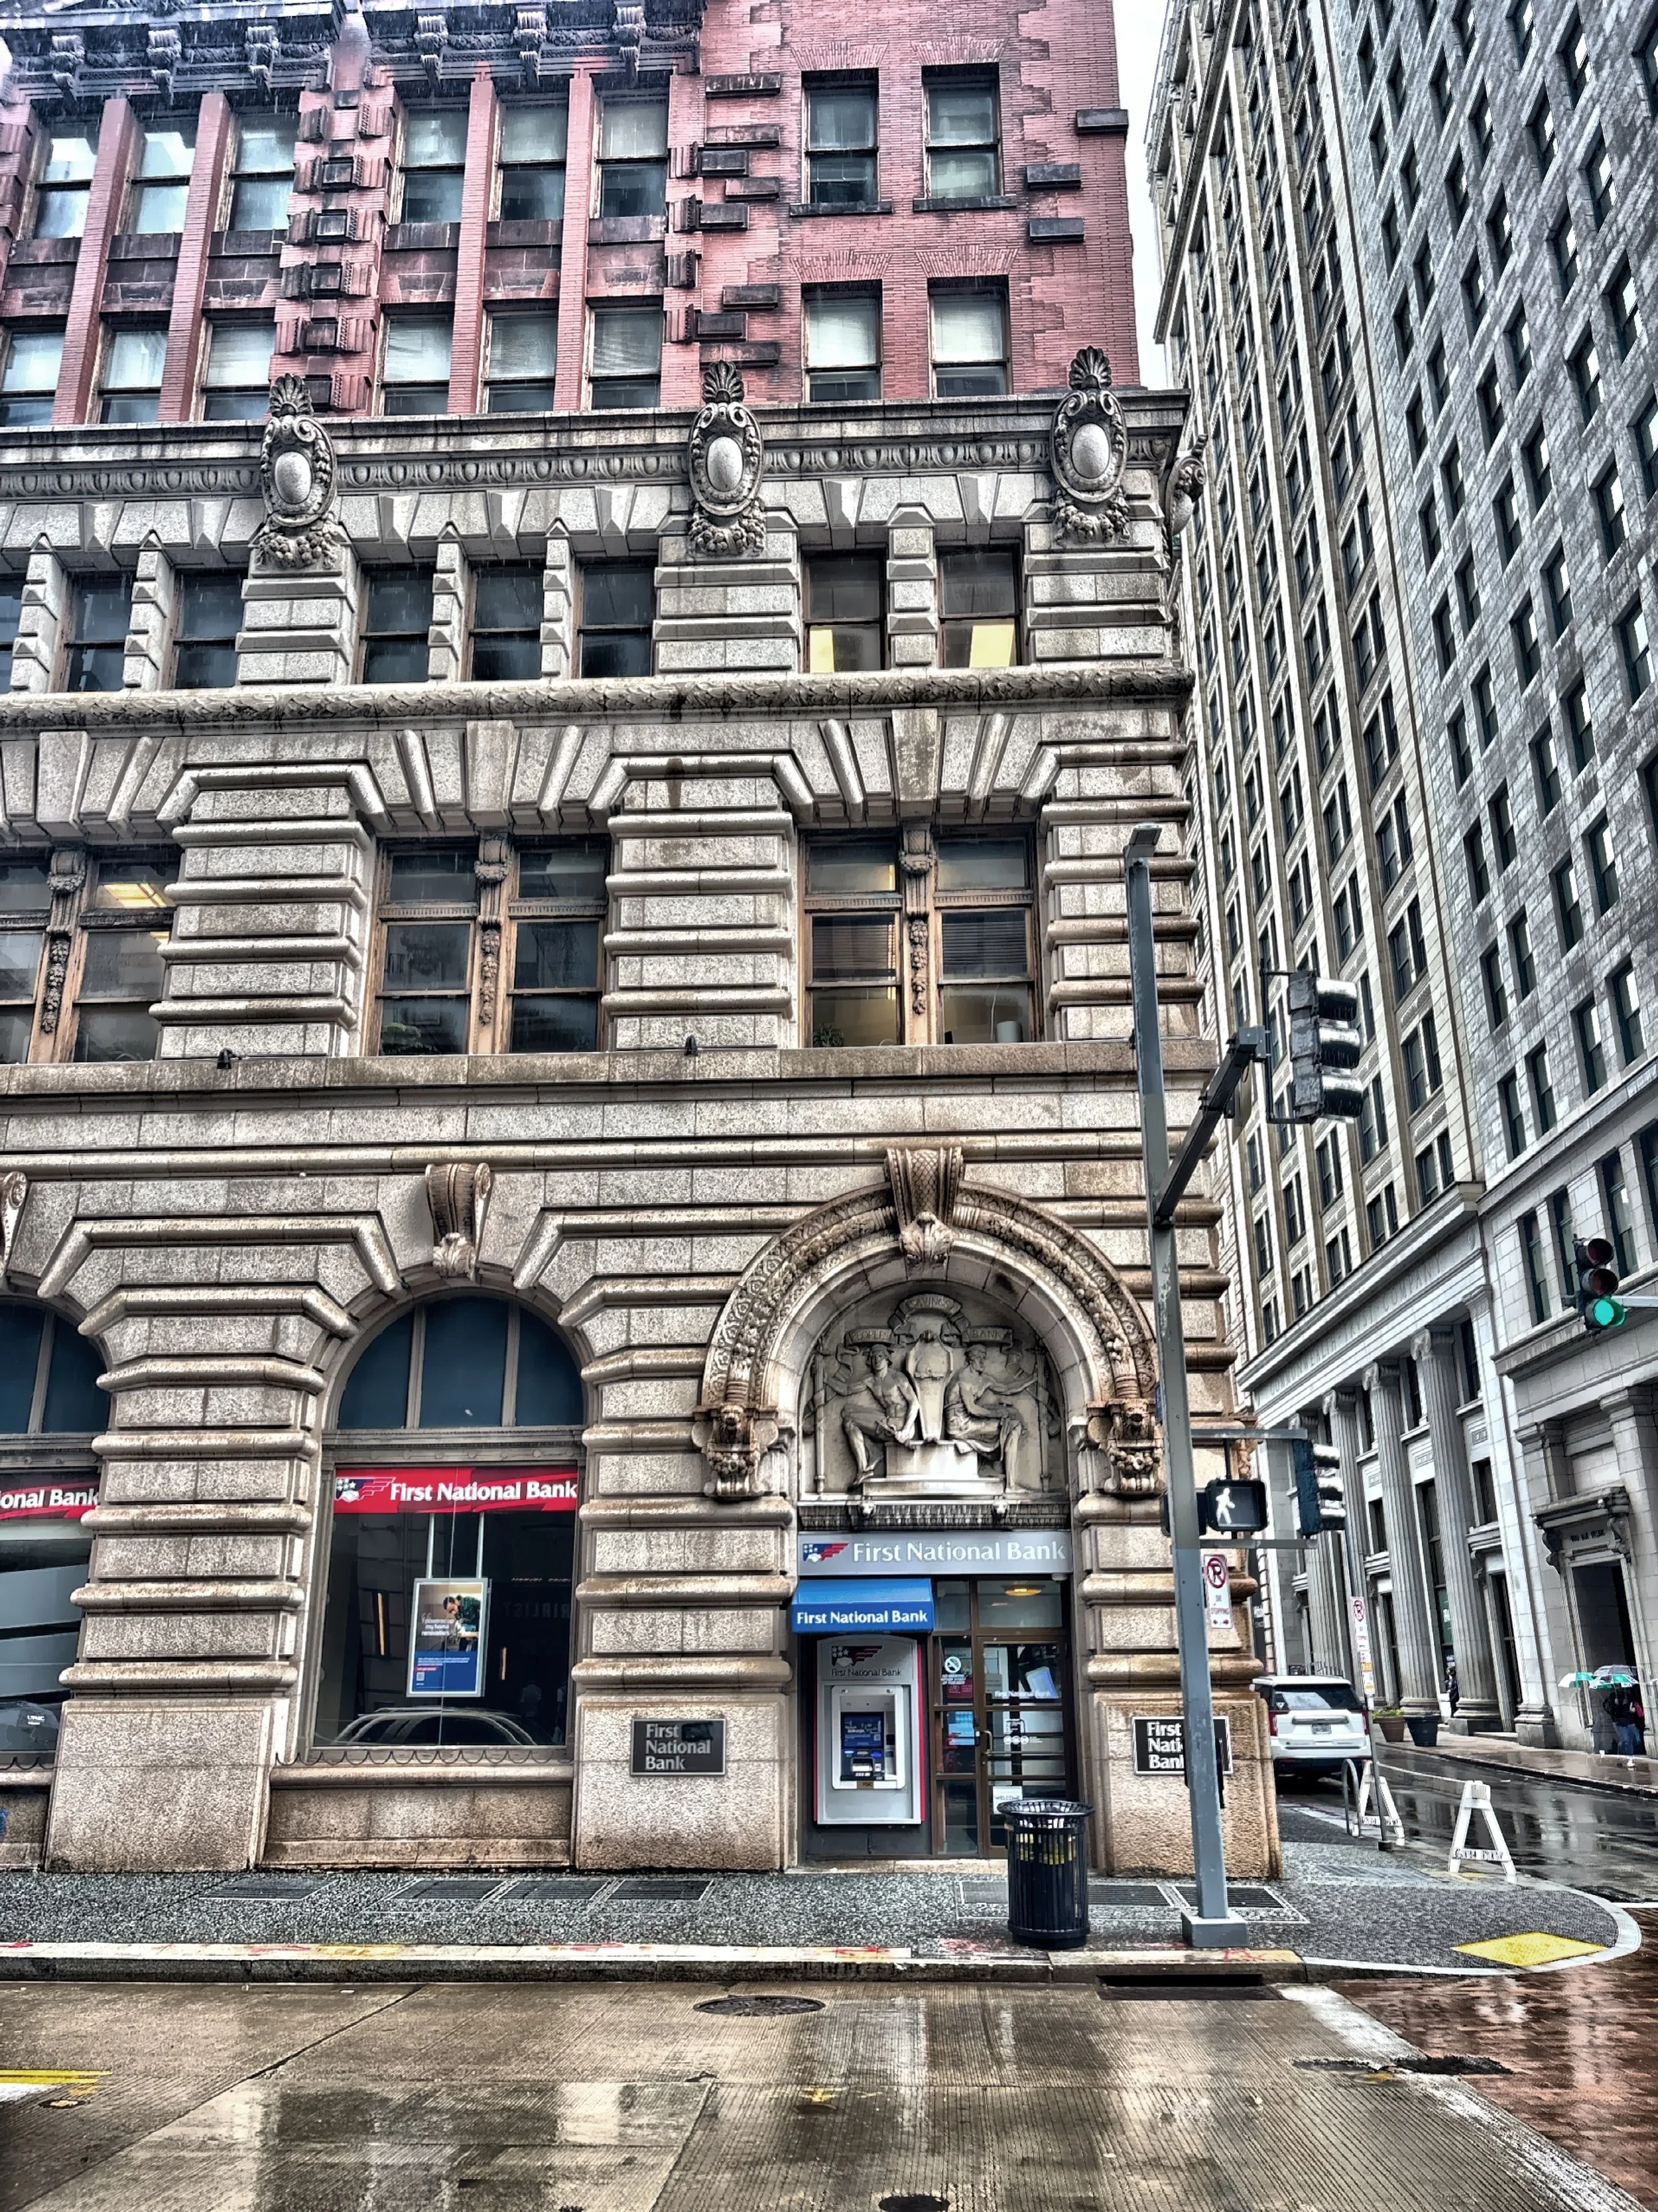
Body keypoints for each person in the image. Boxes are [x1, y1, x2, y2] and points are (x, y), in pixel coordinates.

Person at [1603, 1680, 1644, 1760]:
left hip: (1629, 1720)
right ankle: (1624, 1758)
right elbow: (1611, 1711)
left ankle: (1626, 1757)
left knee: (1629, 1740)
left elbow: (1634, 1707)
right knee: (1625, 1740)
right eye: (1617, 1686)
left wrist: (1632, 1710)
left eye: (1619, 1685)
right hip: (1619, 1722)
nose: (1619, 1688)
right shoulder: (1612, 1697)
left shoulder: (1629, 1695)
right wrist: (1615, 1705)